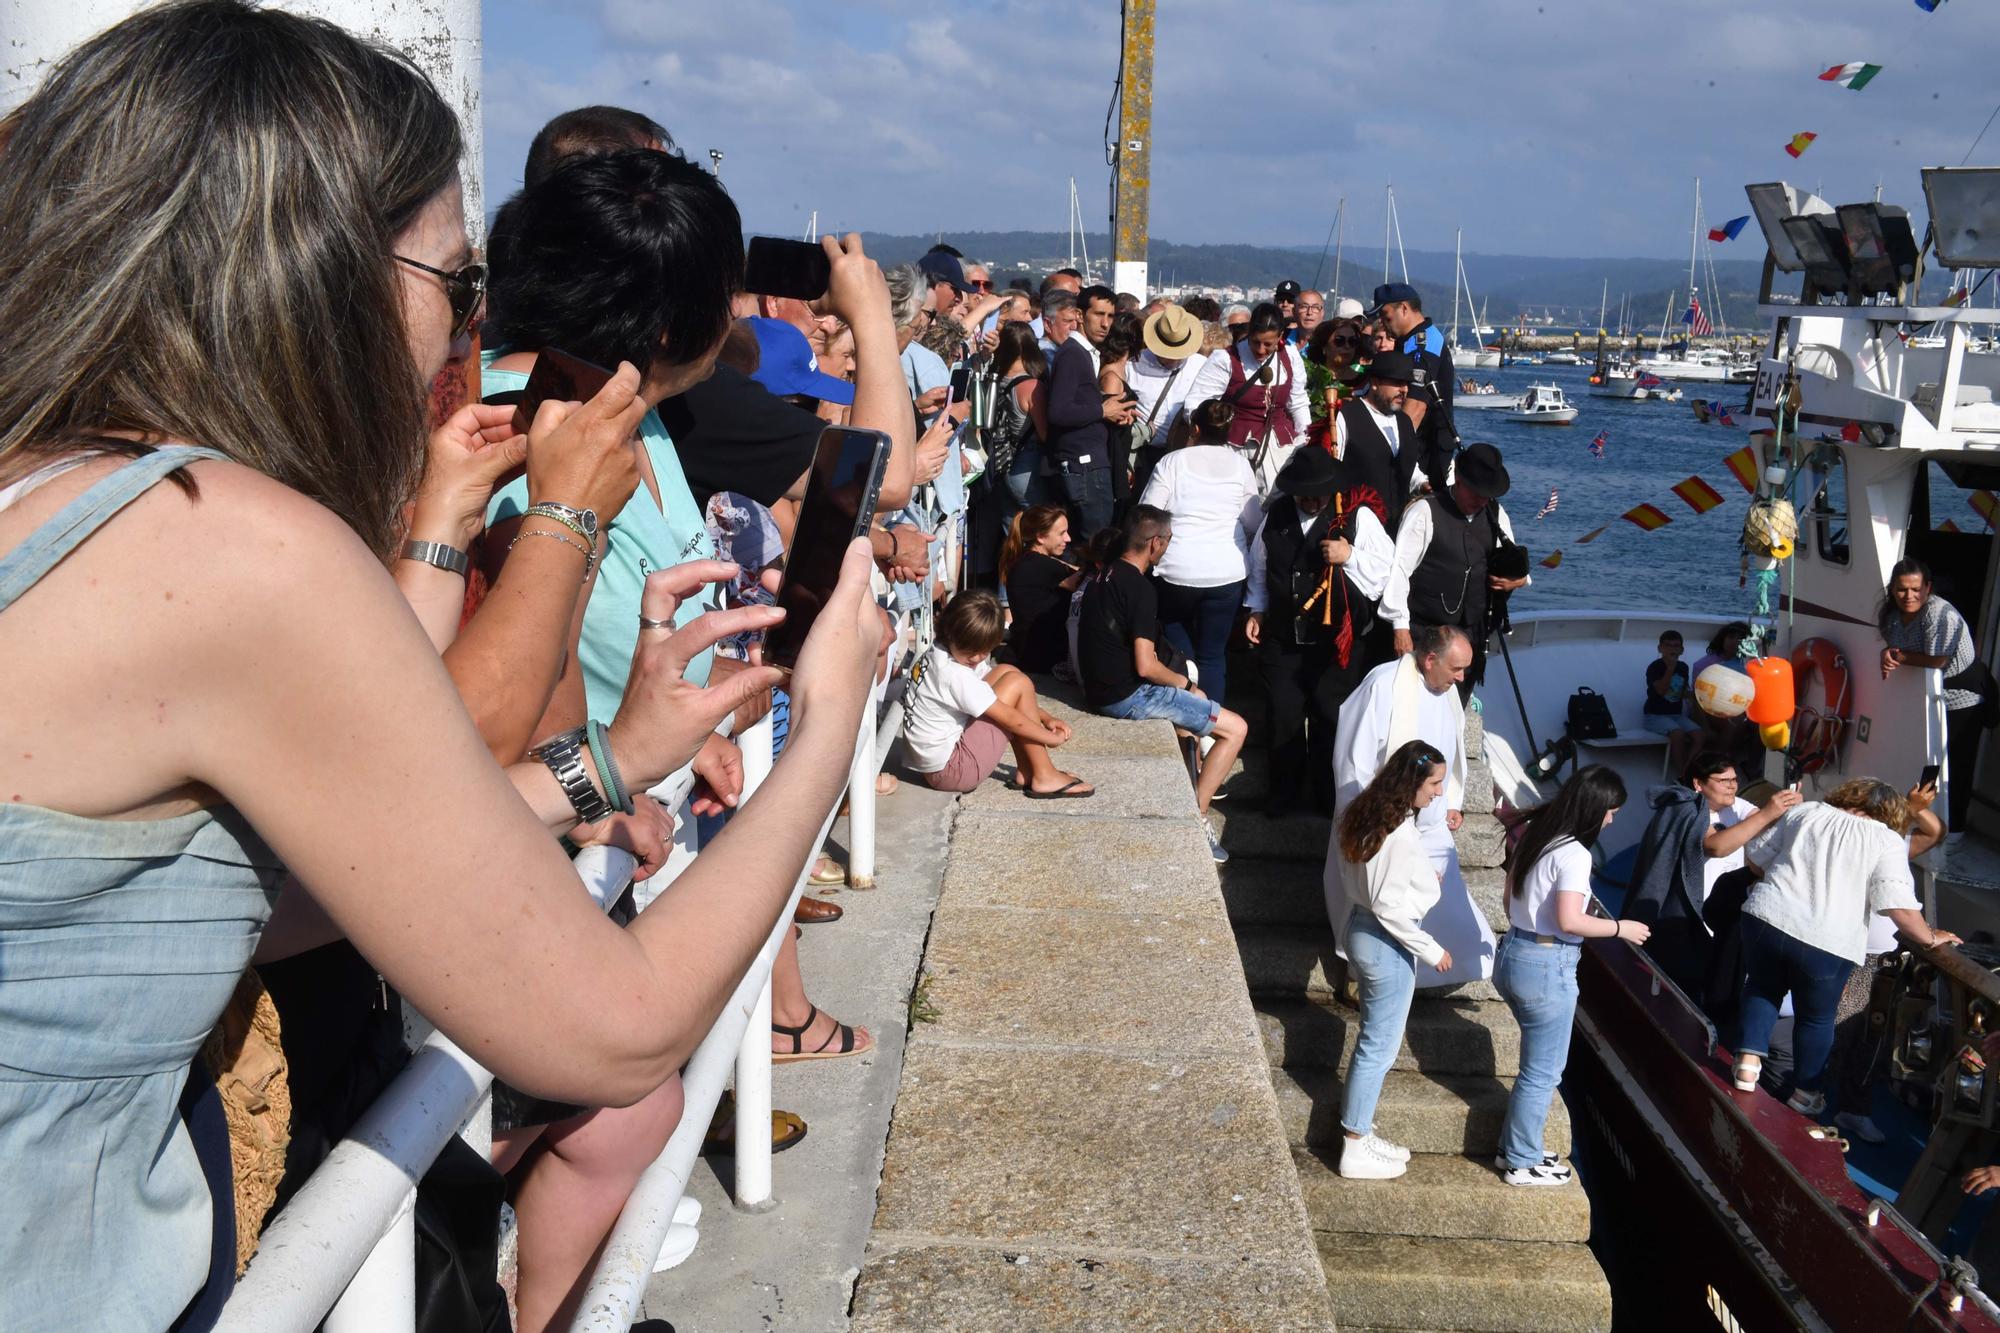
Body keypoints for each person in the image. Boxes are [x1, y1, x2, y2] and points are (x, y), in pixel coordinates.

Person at [0, 6, 883, 1325]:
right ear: (312, 271)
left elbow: (289, 879)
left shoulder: (52, 493)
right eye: (456, 283)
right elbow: (617, 1027)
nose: (472, 327)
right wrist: (826, 719)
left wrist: (612, 759)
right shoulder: (219, 543)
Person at [1732, 779, 1961, 1114]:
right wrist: (1928, 936)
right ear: (1889, 811)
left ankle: (1747, 1065)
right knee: (1817, 1018)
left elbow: (1754, 861)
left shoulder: (1806, 812)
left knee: (1762, 988)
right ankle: (1805, 1093)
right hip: (1826, 941)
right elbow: (1896, 904)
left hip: (1766, 920)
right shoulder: (1886, 839)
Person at [1496, 767, 1646, 1186]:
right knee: (1542, 1072)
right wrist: (1621, 928)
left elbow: (1510, 899)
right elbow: (1570, 920)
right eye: (1612, 812)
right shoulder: (1576, 854)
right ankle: (1521, 1161)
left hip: (1516, 950)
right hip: (1548, 966)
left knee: (1534, 1069)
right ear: (1595, 809)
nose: (1613, 820)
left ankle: (1518, 1146)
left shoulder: (1537, 835)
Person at [1076, 505, 1249, 859]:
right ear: (1155, 542)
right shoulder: (1140, 588)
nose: (1168, 546)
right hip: (1127, 696)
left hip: (1098, 688)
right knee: (1236, 729)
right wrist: (1188, 686)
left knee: (1186, 727)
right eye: (1168, 540)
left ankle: (1187, 794)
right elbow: (1146, 665)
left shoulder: (1103, 575)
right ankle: (1197, 817)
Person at [1332, 626, 1493, 984]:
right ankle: (1368, 977)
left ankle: (1414, 976)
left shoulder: (1447, 692)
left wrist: (1450, 797)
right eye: (1456, 668)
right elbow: (1353, 757)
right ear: (1430, 658)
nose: (1462, 677)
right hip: (1385, 824)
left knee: (1437, 904)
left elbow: (1446, 749)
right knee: (1383, 904)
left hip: (1430, 822)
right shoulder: (1384, 685)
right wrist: (1367, 818)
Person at [1329, 740, 1453, 1181]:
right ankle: (1356, 1143)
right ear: (1413, 782)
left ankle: (1360, 1132)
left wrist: (1422, 882)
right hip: (1385, 942)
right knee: (1378, 1047)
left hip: (1361, 929)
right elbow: (1389, 906)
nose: (1439, 792)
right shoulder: (1397, 833)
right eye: (1435, 782)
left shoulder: (1365, 814)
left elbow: (1370, 884)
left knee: (1374, 1043)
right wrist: (1431, 949)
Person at [1246, 448, 1394, 814]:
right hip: (1284, 638)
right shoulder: (1277, 515)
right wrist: (1257, 610)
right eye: (1304, 494)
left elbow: (1386, 573)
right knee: (1283, 717)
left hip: (1337, 644)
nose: (1311, 501)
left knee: (1332, 720)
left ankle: (1330, 800)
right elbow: (1261, 566)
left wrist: (1350, 556)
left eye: (1318, 493)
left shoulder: (1357, 519)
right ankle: (1284, 795)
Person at [1622, 753, 1799, 1027]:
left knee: (1717, 978)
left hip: (1722, 911)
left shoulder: (1736, 806)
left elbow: (1764, 822)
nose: (1731, 786)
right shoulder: (1686, 808)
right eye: (1723, 780)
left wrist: (1788, 810)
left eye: (1734, 780)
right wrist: (1767, 813)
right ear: (1698, 783)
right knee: (1682, 978)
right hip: (1684, 912)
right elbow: (1715, 846)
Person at [1829, 778, 1946, 1145]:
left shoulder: (1894, 846)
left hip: (1889, 959)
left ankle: (1853, 1107)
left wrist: (1916, 808)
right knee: (1843, 1031)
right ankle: (1814, 1097)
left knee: (1874, 1039)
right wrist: (1907, 811)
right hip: (1858, 955)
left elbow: (1934, 832)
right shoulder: (1853, 845)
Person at [904, 591, 1092, 798]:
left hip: (936, 767)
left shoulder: (940, 651)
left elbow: (999, 691)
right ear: (950, 634)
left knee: (1007, 671)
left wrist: (1046, 717)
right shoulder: (953, 674)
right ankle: (1044, 774)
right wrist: (1049, 738)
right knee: (1019, 683)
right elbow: (1011, 719)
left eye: (984, 651)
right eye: (970, 651)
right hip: (952, 771)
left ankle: (1028, 769)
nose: (977, 658)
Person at [1138, 389, 1261, 706]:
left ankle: (1185, 684)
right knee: (1214, 655)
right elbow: (1252, 521)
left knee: (1175, 638)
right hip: (1226, 573)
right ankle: (1213, 726)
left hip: (1176, 569)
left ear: (1194, 429)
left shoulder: (1172, 462)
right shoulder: (1240, 466)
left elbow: (1148, 514)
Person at [1379, 441, 1526, 697]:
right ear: (1457, 478)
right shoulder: (1426, 511)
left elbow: (1513, 563)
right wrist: (1399, 628)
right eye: (1474, 491)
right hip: (1424, 635)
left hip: (1470, 638)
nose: (1480, 500)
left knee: (1455, 711)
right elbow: (1399, 570)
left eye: (1486, 493)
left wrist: (1518, 581)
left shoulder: (1495, 513)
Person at [1879, 557, 1987, 828]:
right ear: (1892, 589)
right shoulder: (1891, 618)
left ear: (1928, 588)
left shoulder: (1940, 615)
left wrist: (1899, 657)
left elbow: (1939, 660)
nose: (1909, 595)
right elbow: (1894, 648)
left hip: (1961, 699)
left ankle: (1953, 831)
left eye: (1916, 589)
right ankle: (1919, 821)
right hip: (1923, 699)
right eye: (1902, 589)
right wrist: (1887, 653)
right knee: (1922, 762)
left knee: (1954, 768)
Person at [1187, 301, 1309, 494]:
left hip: (1279, 448)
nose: (1261, 349)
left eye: (1268, 344)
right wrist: (1212, 432)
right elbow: (1197, 404)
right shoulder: (1226, 359)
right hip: (1233, 446)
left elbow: (1298, 402)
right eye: (1255, 342)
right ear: (1249, 332)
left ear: (1280, 337)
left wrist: (1305, 436)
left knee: (1275, 503)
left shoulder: (1291, 357)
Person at [1045, 284, 1132, 539]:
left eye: (1110, 316)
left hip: (1088, 464)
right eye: (1098, 314)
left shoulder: (1082, 353)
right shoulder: (1073, 354)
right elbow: (1058, 411)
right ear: (1080, 316)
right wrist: (1102, 410)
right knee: (1095, 545)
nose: (1105, 323)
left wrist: (1111, 409)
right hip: (1084, 467)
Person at [1368, 281, 1456, 490]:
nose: (1382, 321)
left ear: (1404, 309)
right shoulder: (1406, 341)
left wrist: (1393, 451)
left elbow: (1416, 405)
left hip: (1426, 446)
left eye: (1386, 315)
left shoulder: (1424, 344)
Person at [1333, 349, 1422, 527]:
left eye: (1406, 384)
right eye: (1397, 383)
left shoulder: (1404, 421)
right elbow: (1332, 470)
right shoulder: (1347, 416)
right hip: (1357, 526)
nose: (1404, 389)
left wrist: (1423, 484)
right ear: (1375, 382)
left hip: (1398, 526)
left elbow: (1410, 468)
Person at [1000, 504, 1081, 672]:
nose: (1068, 539)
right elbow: (1085, 580)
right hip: (1044, 656)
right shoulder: (1042, 566)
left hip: (1026, 651)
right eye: (1061, 534)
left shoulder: (1028, 560)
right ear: (1041, 537)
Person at [986, 320, 1051, 520]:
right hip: (1027, 466)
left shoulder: (994, 377)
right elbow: (1044, 433)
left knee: (1011, 529)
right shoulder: (1031, 386)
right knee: (1038, 526)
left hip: (1002, 463)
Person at [1643, 630, 1700, 736]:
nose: (1672, 649)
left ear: (1681, 650)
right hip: (1655, 715)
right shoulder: (1655, 667)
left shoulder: (1683, 667)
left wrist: (1700, 695)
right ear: (1660, 648)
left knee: (1699, 734)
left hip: (1676, 715)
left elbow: (1681, 692)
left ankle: (1690, 753)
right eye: (1667, 645)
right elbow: (1661, 691)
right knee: (1678, 734)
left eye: (1676, 646)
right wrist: (1670, 667)